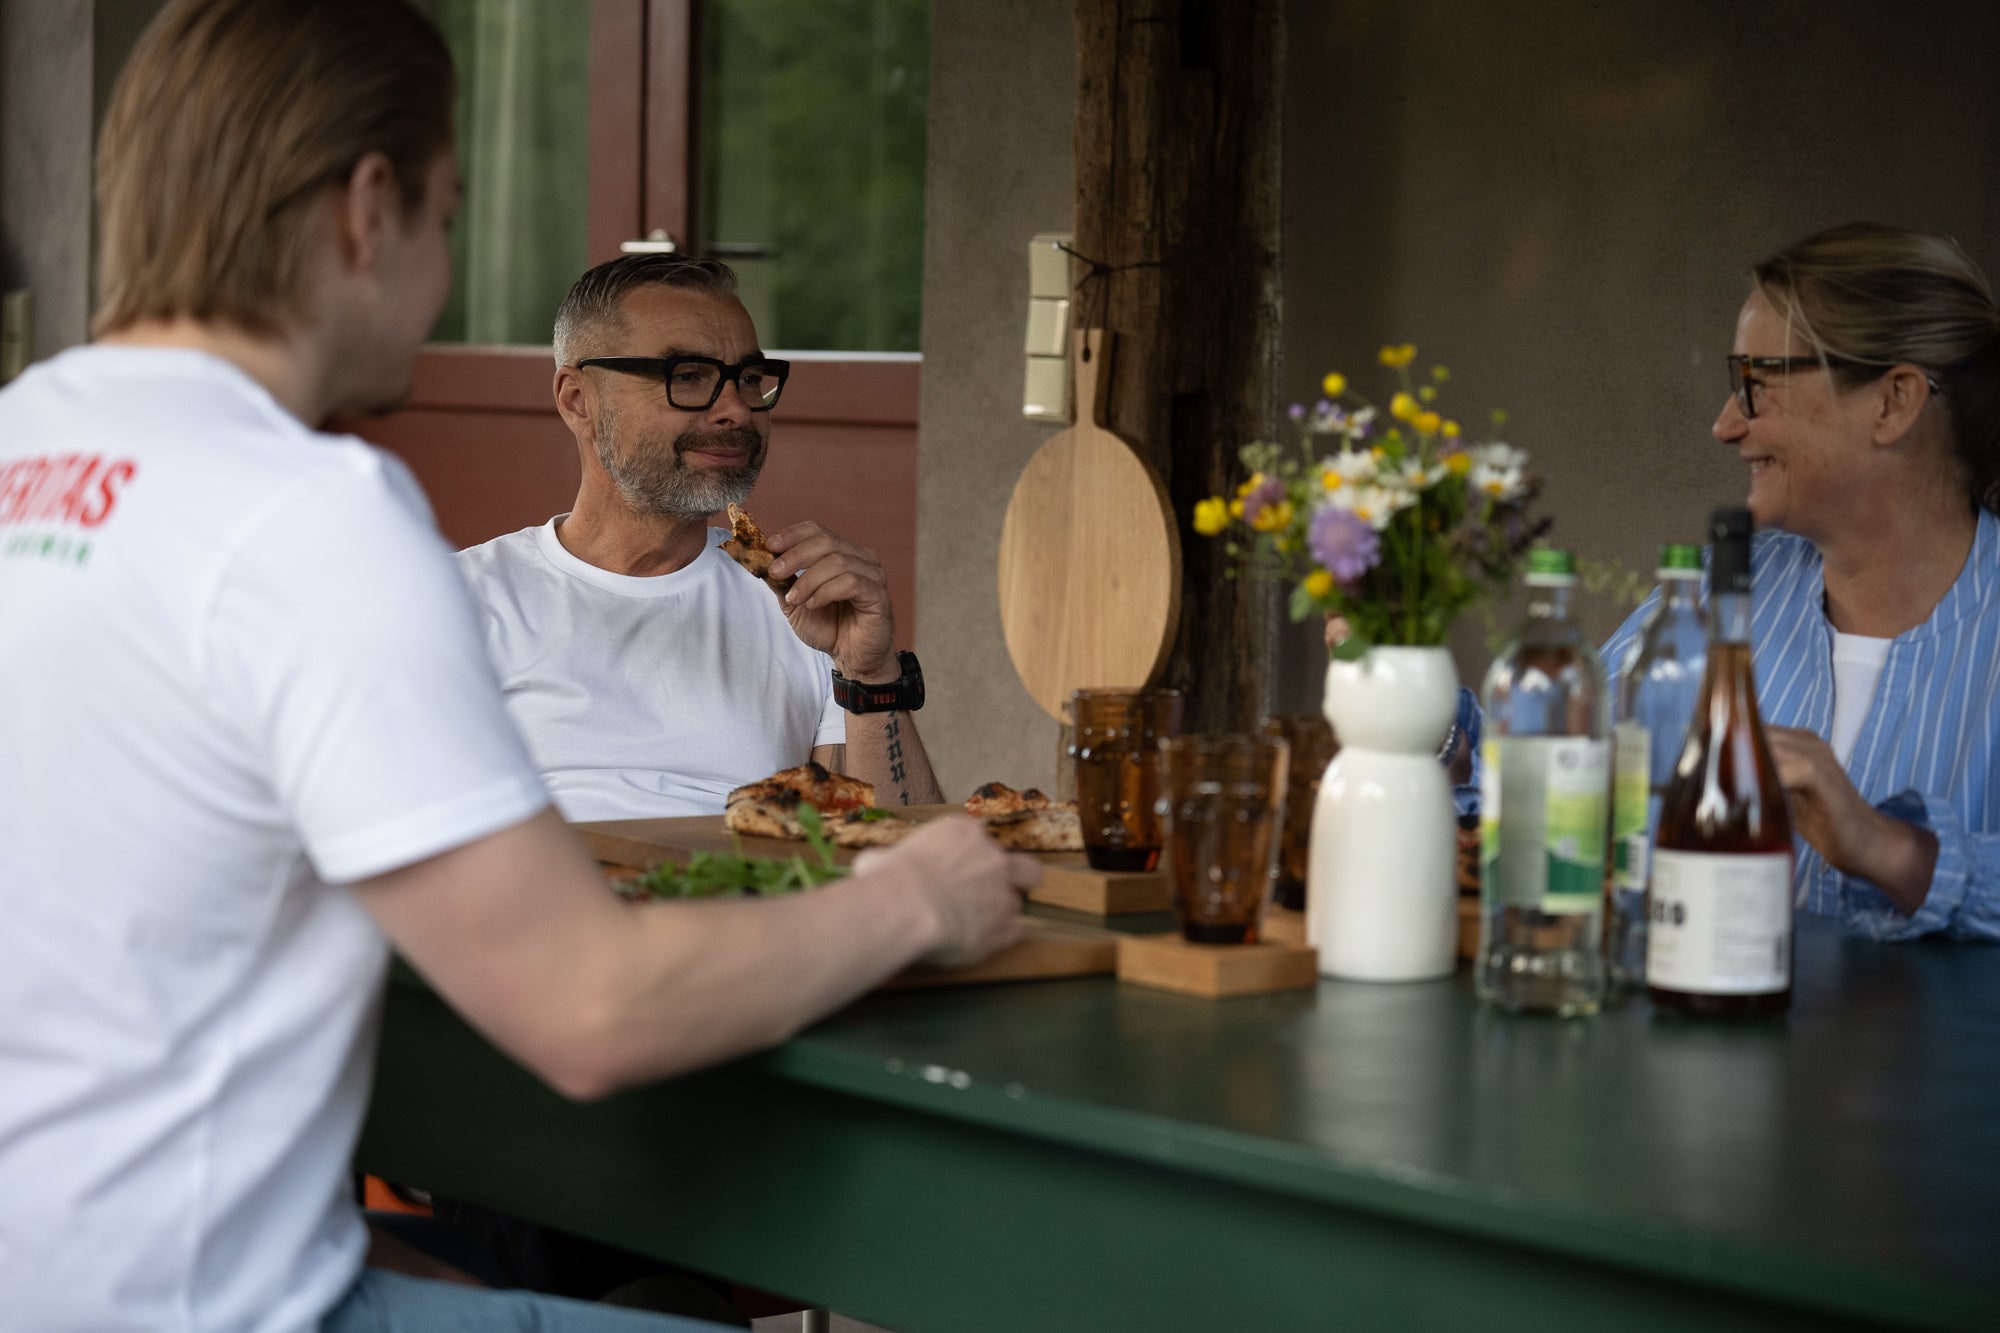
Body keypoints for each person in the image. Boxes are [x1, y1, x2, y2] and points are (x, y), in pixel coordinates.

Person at [0, 2, 1033, 1330]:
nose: (442, 274)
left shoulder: (27, 441)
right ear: (369, 208)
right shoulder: (313, 515)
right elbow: (590, 1011)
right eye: (449, 214)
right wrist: (919, 898)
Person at [1601, 222, 2000, 942]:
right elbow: (1553, 756)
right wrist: (1439, 725)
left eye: (1754, 383)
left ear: (1893, 402)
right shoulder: (1725, 591)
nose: (1726, 425)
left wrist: (1889, 847)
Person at [456, 253, 941, 820]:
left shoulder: (805, 608)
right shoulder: (459, 600)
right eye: (688, 377)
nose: (736, 409)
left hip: (750, 898)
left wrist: (871, 674)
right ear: (577, 400)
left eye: (751, 379)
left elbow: (893, 852)